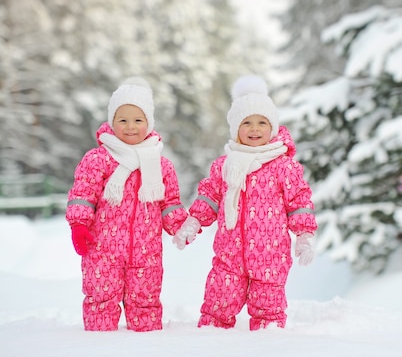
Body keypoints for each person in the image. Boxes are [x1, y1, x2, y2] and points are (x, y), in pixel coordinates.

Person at [173, 75, 317, 331]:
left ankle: (266, 345)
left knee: (268, 312)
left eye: (262, 122)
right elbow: (210, 197)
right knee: (217, 305)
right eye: (247, 123)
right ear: (236, 129)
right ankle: (209, 344)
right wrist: (193, 222)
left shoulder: (284, 167)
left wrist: (304, 235)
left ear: (272, 127)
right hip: (229, 255)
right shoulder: (225, 165)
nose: (254, 129)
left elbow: (298, 201)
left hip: (270, 256)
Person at [66, 77, 189, 332]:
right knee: (101, 296)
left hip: (146, 250)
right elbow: (83, 193)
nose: (130, 127)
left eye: (138, 120)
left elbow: (170, 203)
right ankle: (99, 344)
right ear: (112, 122)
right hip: (102, 248)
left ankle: (146, 345)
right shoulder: (98, 159)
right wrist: (79, 224)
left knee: (145, 299)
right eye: (123, 120)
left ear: (149, 123)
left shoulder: (160, 165)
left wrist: (181, 226)